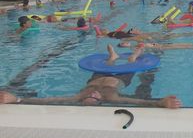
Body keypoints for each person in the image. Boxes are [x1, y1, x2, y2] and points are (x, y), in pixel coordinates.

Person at [0, 44, 181, 108]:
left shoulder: (80, 96)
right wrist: (159, 102)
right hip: (121, 78)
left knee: (109, 64)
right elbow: (139, 103)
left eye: (88, 98)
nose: (92, 95)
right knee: (132, 62)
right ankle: (134, 54)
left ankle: (113, 57)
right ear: (101, 101)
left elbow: (52, 99)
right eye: (94, 98)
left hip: (95, 76)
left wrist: (17, 99)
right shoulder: (112, 96)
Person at [97, 26, 193, 43]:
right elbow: (127, 39)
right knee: (177, 36)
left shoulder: (112, 33)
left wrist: (132, 31)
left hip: (138, 35)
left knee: (178, 34)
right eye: (103, 29)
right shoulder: (109, 35)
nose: (105, 28)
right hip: (141, 37)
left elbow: (125, 35)